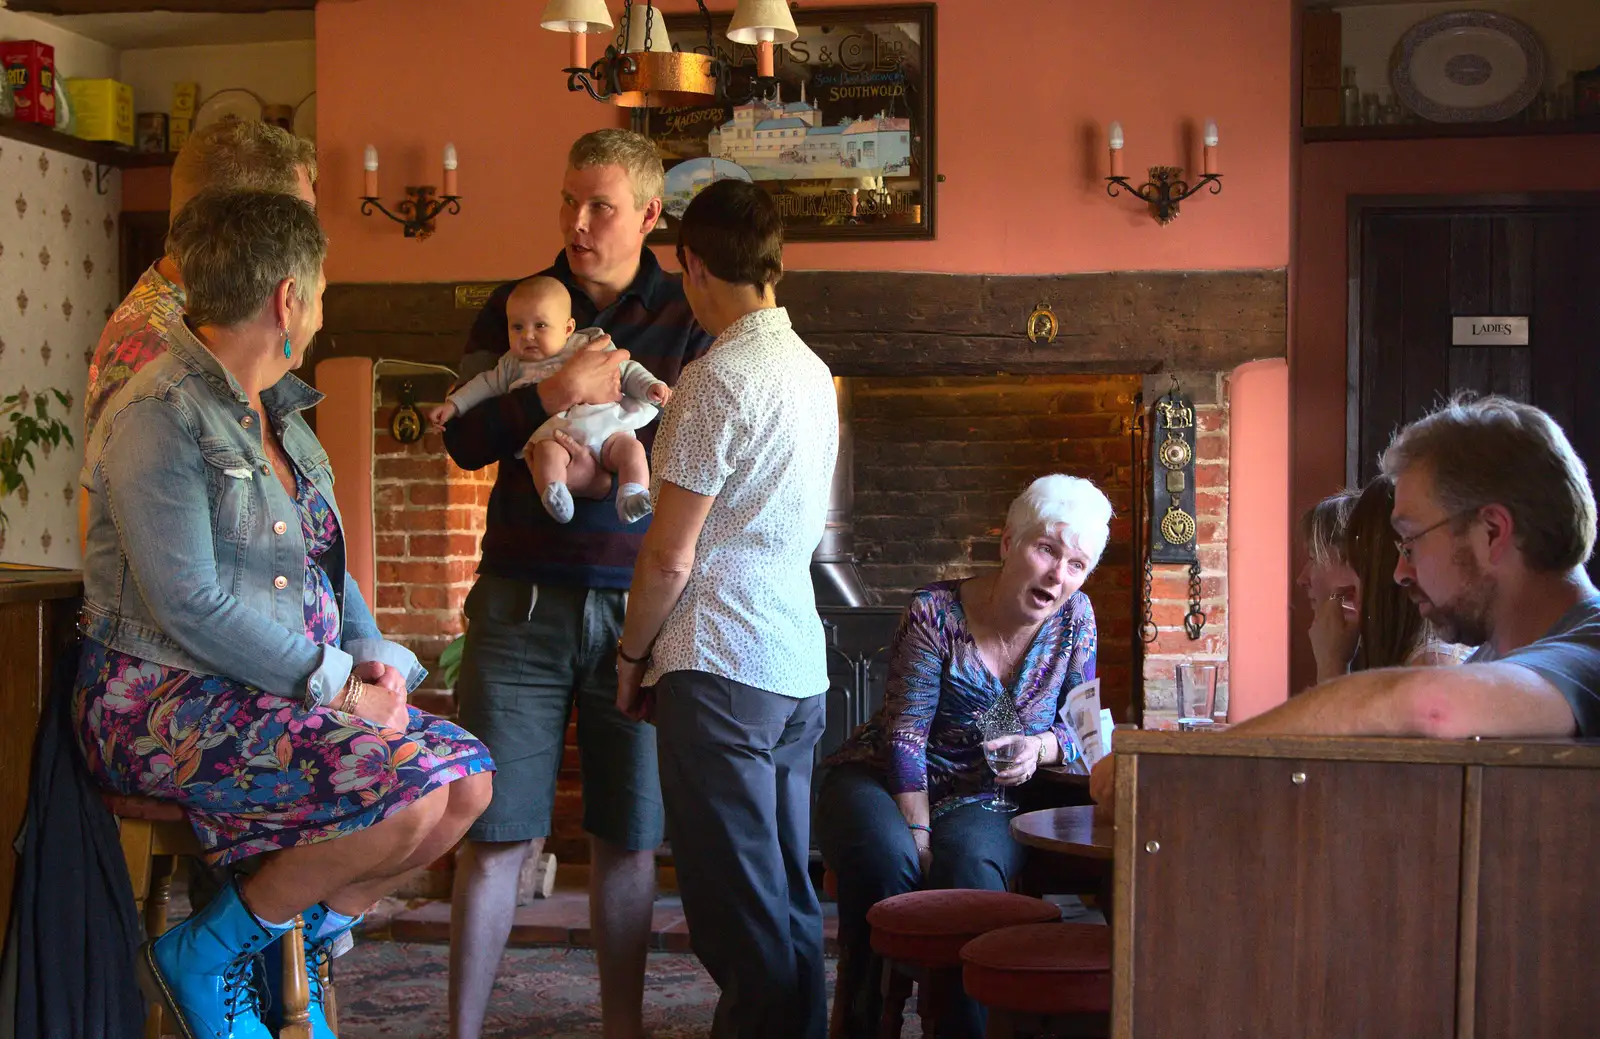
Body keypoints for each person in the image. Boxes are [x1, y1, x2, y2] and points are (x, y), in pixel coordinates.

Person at [75, 189, 494, 1039]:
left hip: (277, 690)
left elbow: (325, 566)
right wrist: (338, 687)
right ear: (287, 298)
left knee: (466, 780)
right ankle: (205, 953)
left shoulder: (287, 418)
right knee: (404, 797)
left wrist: (373, 655)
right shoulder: (157, 414)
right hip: (164, 702)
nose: (325, 297)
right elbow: (188, 602)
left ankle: (286, 938)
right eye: (324, 281)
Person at [444, 129, 712, 1039]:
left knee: (629, 837)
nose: (578, 221)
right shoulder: (520, 307)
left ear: (648, 213)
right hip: (516, 605)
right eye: (568, 199)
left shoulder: (688, 313)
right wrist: (555, 391)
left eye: (600, 205)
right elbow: (464, 439)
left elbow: (703, 450)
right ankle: (461, 1032)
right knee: (492, 833)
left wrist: (611, 464)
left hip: (641, 612)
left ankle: (623, 1029)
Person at [1093, 395, 1598, 812]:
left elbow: (1427, 705)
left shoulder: (1589, 648)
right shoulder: (1507, 657)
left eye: (1411, 540)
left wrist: (1175, 769)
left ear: (1491, 533)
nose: (1400, 571)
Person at [614, 178, 838, 1039]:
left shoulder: (716, 379)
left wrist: (633, 657)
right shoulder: (813, 373)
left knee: (737, 918)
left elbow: (670, 555)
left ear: (693, 265)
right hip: (796, 668)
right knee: (785, 904)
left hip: (720, 666)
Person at [816, 474, 1111, 1039]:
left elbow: (1083, 726)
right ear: (1008, 544)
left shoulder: (1076, 620)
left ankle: (958, 1029)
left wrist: (1040, 746)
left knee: (971, 874)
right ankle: (860, 1019)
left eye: (1076, 564)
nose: (1057, 574)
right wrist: (919, 838)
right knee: (888, 860)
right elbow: (906, 736)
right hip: (882, 778)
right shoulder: (935, 612)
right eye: (1046, 549)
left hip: (983, 792)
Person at [85, 119, 317, 439]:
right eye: (300, 220)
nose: (311, 240)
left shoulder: (213, 313)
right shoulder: (153, 343)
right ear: (246, 222)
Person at [427, 276, 671, 524]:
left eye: (540, 326)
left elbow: (626, 369)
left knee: (632, 450)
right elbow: (483, 385)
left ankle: (631, 496)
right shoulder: (512, 363)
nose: (528, 336)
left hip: (607, 430)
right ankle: (555, 495)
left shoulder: (589, 343)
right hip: (555, 435)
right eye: (517, 327)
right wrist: (454, 404)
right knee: (545, 454)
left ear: (567, 328)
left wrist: (650, 386)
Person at [1299, 484, 1469, 684]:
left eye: (1313, 557)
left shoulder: (1430, 668)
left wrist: (1331, 664)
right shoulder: (1411, 654)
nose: (1301, 579)